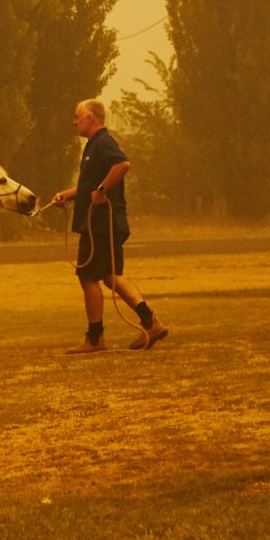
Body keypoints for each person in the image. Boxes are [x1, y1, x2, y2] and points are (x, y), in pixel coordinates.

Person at [49, 99, 169, 352]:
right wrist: (67, 195)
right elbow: (88, 187)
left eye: (77, 116)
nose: (74, 121)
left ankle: (95, 339)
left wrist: (102, 190)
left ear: (90, 119)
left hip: (100, 224)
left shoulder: (103, 142)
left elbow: (122, 164)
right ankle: (151, 323)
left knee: (87, 277)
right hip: (103, 224)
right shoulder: (93, 146)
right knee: (111, 276)